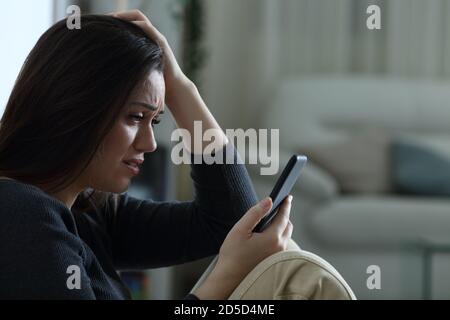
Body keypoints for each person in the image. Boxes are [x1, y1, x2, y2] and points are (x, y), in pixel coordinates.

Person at [0, 10, 293, 300]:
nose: (150, 143)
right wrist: (228, 273)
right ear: (72, 108)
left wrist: (179, 84)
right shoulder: (22, 216)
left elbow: (228, 220)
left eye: (154, 121)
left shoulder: (87, 210)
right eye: (135, 117)